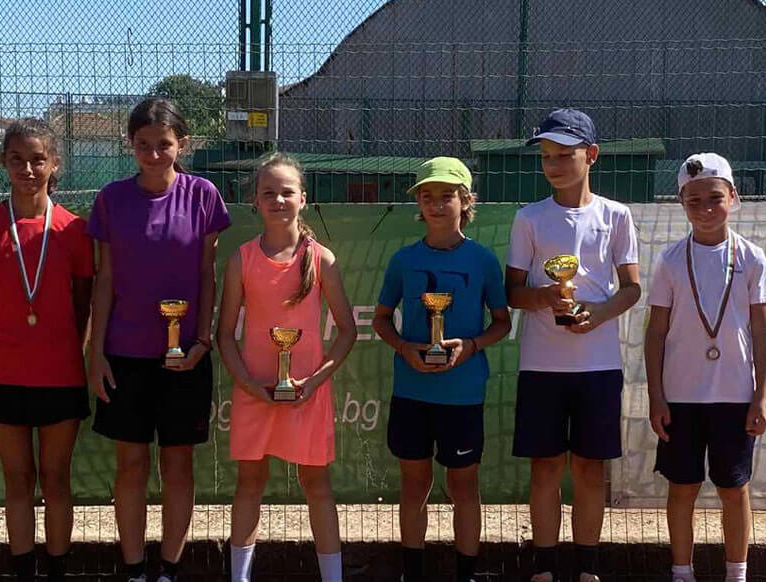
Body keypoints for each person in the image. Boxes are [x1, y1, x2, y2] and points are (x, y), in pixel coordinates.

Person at [87, 98, 230, 582]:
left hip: (185, 357)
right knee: (130, 466)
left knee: (178, 466)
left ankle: (169, 569)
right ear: (130, 144)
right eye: (143, 144)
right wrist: (95, 353)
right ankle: (133, 569)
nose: (153, 154)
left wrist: (202, 340)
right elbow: (104, 280)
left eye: (163, 144)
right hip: (124, 355)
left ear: (181, 144)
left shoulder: (203, 195)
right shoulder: (111, 199)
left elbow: (208, 274)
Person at [505, 109, 641, 582]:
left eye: (565, 155)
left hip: (599, 367)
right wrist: (546, 297)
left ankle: (587, 569)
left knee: (588, 470)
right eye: (546, 156)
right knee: (544, 469)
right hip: (541, 367)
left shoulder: (616, 216)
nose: (554, 165)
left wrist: (597, 314)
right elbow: (512, 293)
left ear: (592, 155)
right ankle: (543, 568)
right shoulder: (529, 218)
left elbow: (631, 289)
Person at [0, 119, 94, 582]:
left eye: (38, 159)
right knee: (17, 479)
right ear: (3, 162)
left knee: (56, 479)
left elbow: (83, 305)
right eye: (17, 159)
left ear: (55, 163)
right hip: (3, 374)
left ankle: (57, 569)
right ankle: (22, 570)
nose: (28, 169)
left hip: (61, 375)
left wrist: (64, 352)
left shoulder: (75, 230)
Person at [216, 153, 356, 582]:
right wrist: (248, 384)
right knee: (249, 484)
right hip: (254, 393)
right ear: (255, 201)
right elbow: (225, 336)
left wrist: (313, 383)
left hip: (306, 396)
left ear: (303, 199)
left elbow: (347, 332)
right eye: (268, 193)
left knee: (318, 486)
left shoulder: (322, 259)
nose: (278, 200)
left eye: (287, 192)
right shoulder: (241, 260)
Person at [372, 157, 512, 582]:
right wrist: (403, 347)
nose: (436, 205)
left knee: (463, 487)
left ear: (466, 201)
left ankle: (465, 573)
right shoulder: (403, 260)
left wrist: (471, 346)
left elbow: (502, 323)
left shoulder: (483, 260)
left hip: (463, 394)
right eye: (427, 196)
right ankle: (412, 572)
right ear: (418, 204)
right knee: (414, 485)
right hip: (411, 391)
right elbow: (381, 319)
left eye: (446, 196)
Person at [645, 153, 766, 582]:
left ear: (733, 197)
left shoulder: (752, 258)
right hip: (680, 397)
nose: (704, 209)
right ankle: (682, 573)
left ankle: (736, 574)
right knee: (682, 488)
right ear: (681, 203)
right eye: (694, 201)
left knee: (733, 488)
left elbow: (763, 330)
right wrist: (656, 396)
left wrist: (761, 396)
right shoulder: (670, 260)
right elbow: (656, 332)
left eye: (715, 198)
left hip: (735, 396)